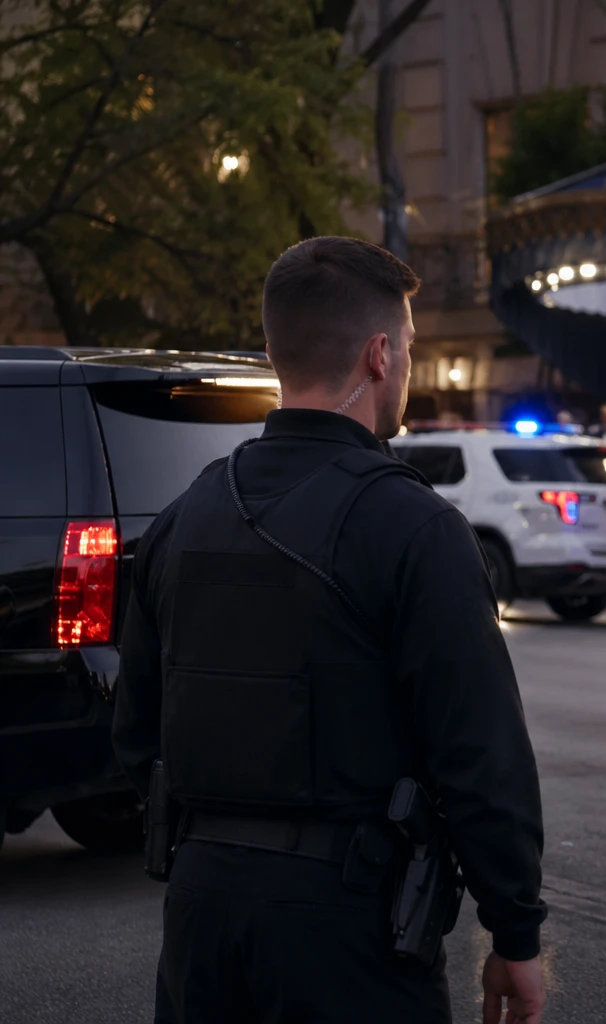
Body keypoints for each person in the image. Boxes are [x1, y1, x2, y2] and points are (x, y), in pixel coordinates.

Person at [111, 237, 546, 1024]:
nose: (409, 364)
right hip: (350, 925)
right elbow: (480, 754)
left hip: (202, 916)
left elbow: (137, 732)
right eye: (410, 346)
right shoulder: (415, 527)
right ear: (380, 355)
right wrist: (515, 931)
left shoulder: (186, 516)